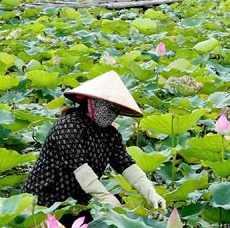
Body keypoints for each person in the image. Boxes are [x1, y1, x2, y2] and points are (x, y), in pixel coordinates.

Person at [22, 70, 167, 211]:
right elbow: (81, 169)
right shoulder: (67, 126)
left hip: (76, 205)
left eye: (116, 109)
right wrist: (108, 199)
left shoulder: (111, 135)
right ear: (91, 101)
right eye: (108, 107)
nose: (111, 113)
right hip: (41, 204)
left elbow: (126, 165)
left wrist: (151, 194)